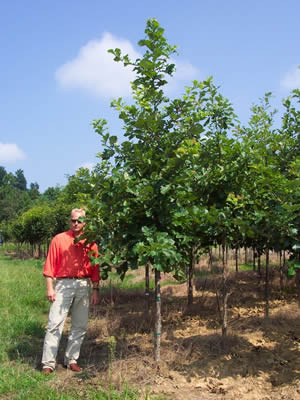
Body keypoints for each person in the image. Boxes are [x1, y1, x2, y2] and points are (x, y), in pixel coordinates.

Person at [41, 208, 100, 375]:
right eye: (73, 220)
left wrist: (95, 289)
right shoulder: (59, 239)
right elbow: (50, 265)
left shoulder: (90, 242)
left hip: (83, 284)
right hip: (63, 285)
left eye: (79, 221)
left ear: (85, 223)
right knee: (54, 323)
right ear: (70, 221)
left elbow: (95, 267)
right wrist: (50, 287)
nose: (76, 223)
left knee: (79, 325)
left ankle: (71, 359)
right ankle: (48, 363)